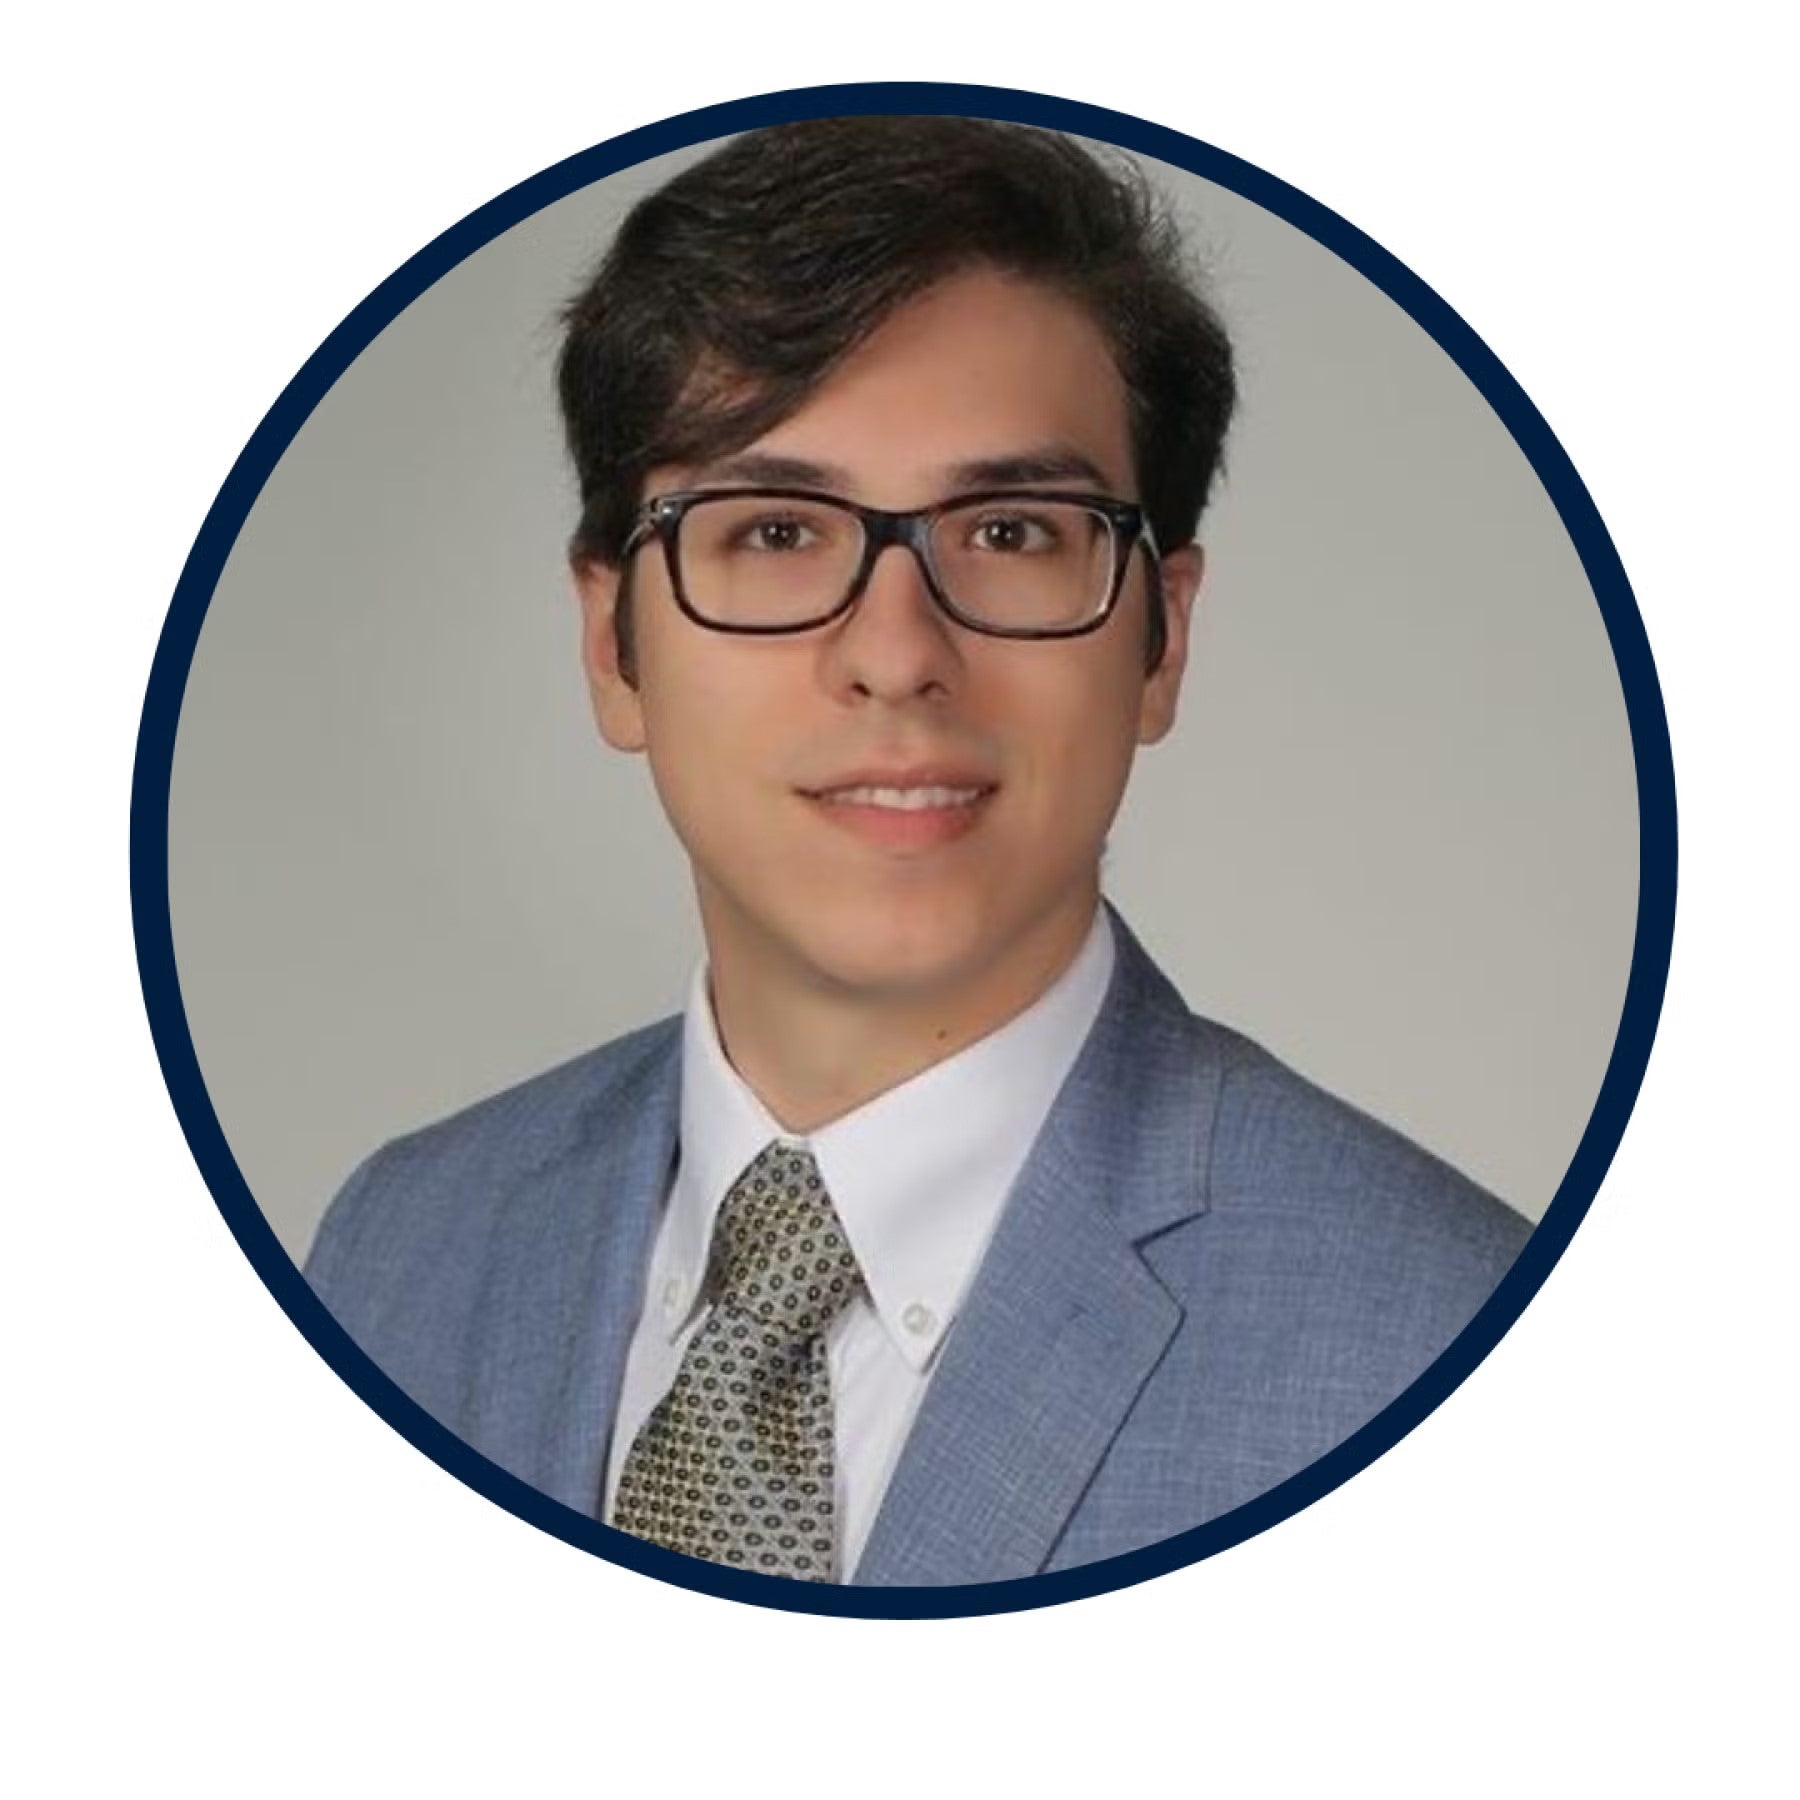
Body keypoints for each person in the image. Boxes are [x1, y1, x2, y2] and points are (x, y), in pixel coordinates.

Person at [305, 115, 1532, 1588]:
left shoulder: (1452, 1340)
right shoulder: (399, 1254)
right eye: (772, 532)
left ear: (1162, 640)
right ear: (610, 643)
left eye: (1013, 532)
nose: (896, 655)